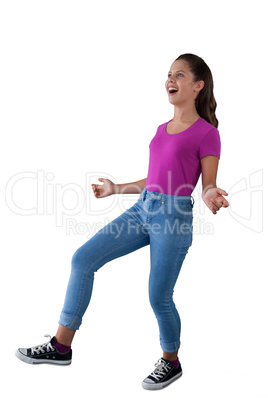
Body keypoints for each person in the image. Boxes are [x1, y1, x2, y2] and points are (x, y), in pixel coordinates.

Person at [15, 53, 229, 390]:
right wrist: (117, 189)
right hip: (144, 208)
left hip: (172, 217)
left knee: (158, 296)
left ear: (198, 86)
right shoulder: (162, 129)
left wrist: (211, 195)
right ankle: (60, 345)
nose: (170, 80)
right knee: (83, 259)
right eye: (169, 74)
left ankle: (170, 361)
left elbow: (207, 185)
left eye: (180, 75)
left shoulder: (206, 134)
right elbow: (155, 178)